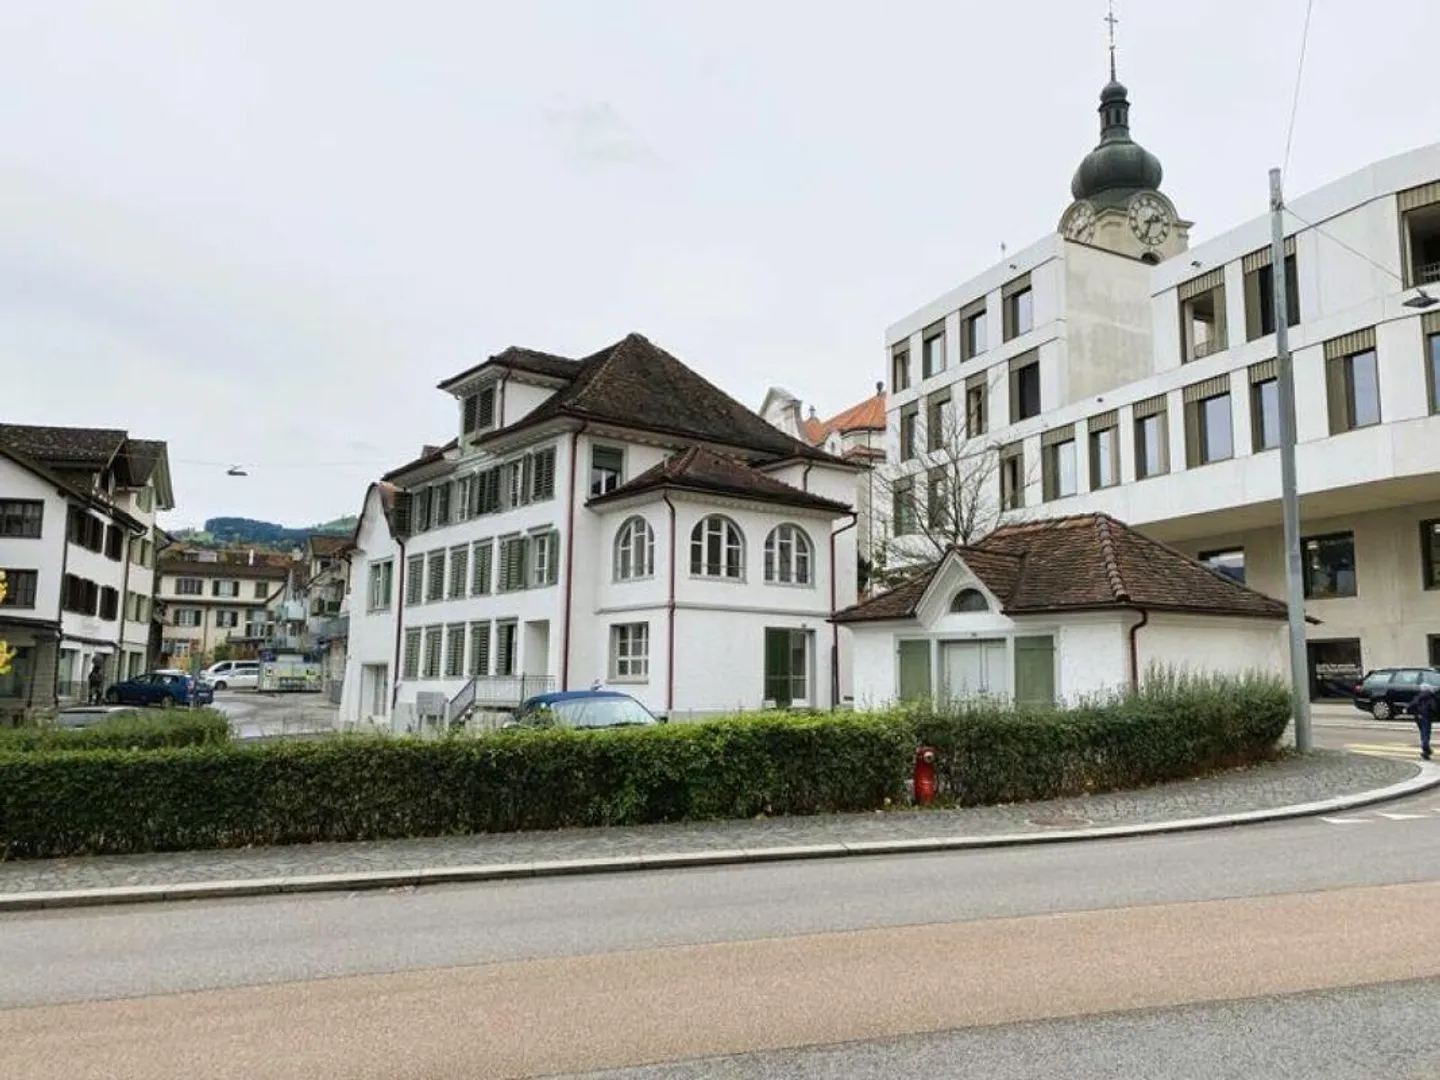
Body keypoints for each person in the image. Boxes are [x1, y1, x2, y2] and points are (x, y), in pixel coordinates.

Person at [1414, 683, 1437, 762]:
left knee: (1422, 732)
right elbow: (1433, 708)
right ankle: (1426, 747)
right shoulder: (1431, 697)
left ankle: (1426, 750)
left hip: (1418, 717)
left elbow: (1412, 704)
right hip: (1426, 717)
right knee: (1426, 733)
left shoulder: (1418, 696)